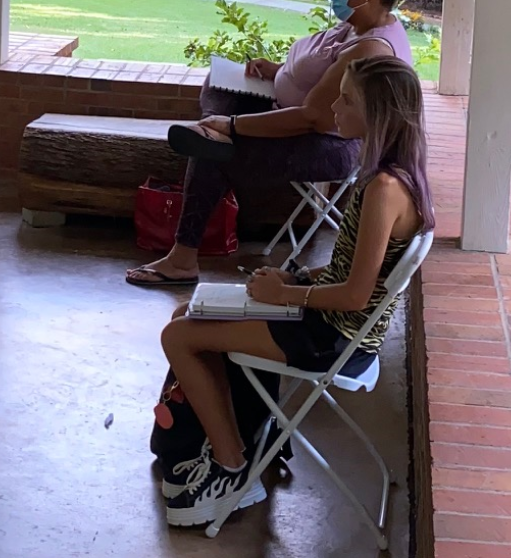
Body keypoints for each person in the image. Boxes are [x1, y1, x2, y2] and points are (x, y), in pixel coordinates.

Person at [157, 56, 431, 530]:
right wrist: (295, 279)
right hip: (326, 322)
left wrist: (289, 298)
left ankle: (231, 468)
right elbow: (351, 268)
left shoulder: (383, 190)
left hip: (332, 337)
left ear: (379, 115)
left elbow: (353, 296)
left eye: (348, 99)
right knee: (190, 312)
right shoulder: (393, 177)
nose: (334, 107)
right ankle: (237, 440)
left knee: (179, 336)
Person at [127, 0, 418, 287]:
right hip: (286, 110)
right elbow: (318, 74)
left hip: (329, 144)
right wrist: (277, 71)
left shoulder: (369, 50)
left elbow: (313, 118)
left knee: (212, 158)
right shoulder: (358, 24)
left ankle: (182, 260)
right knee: (218, 85)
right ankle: (212, 132)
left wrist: (233, 125)